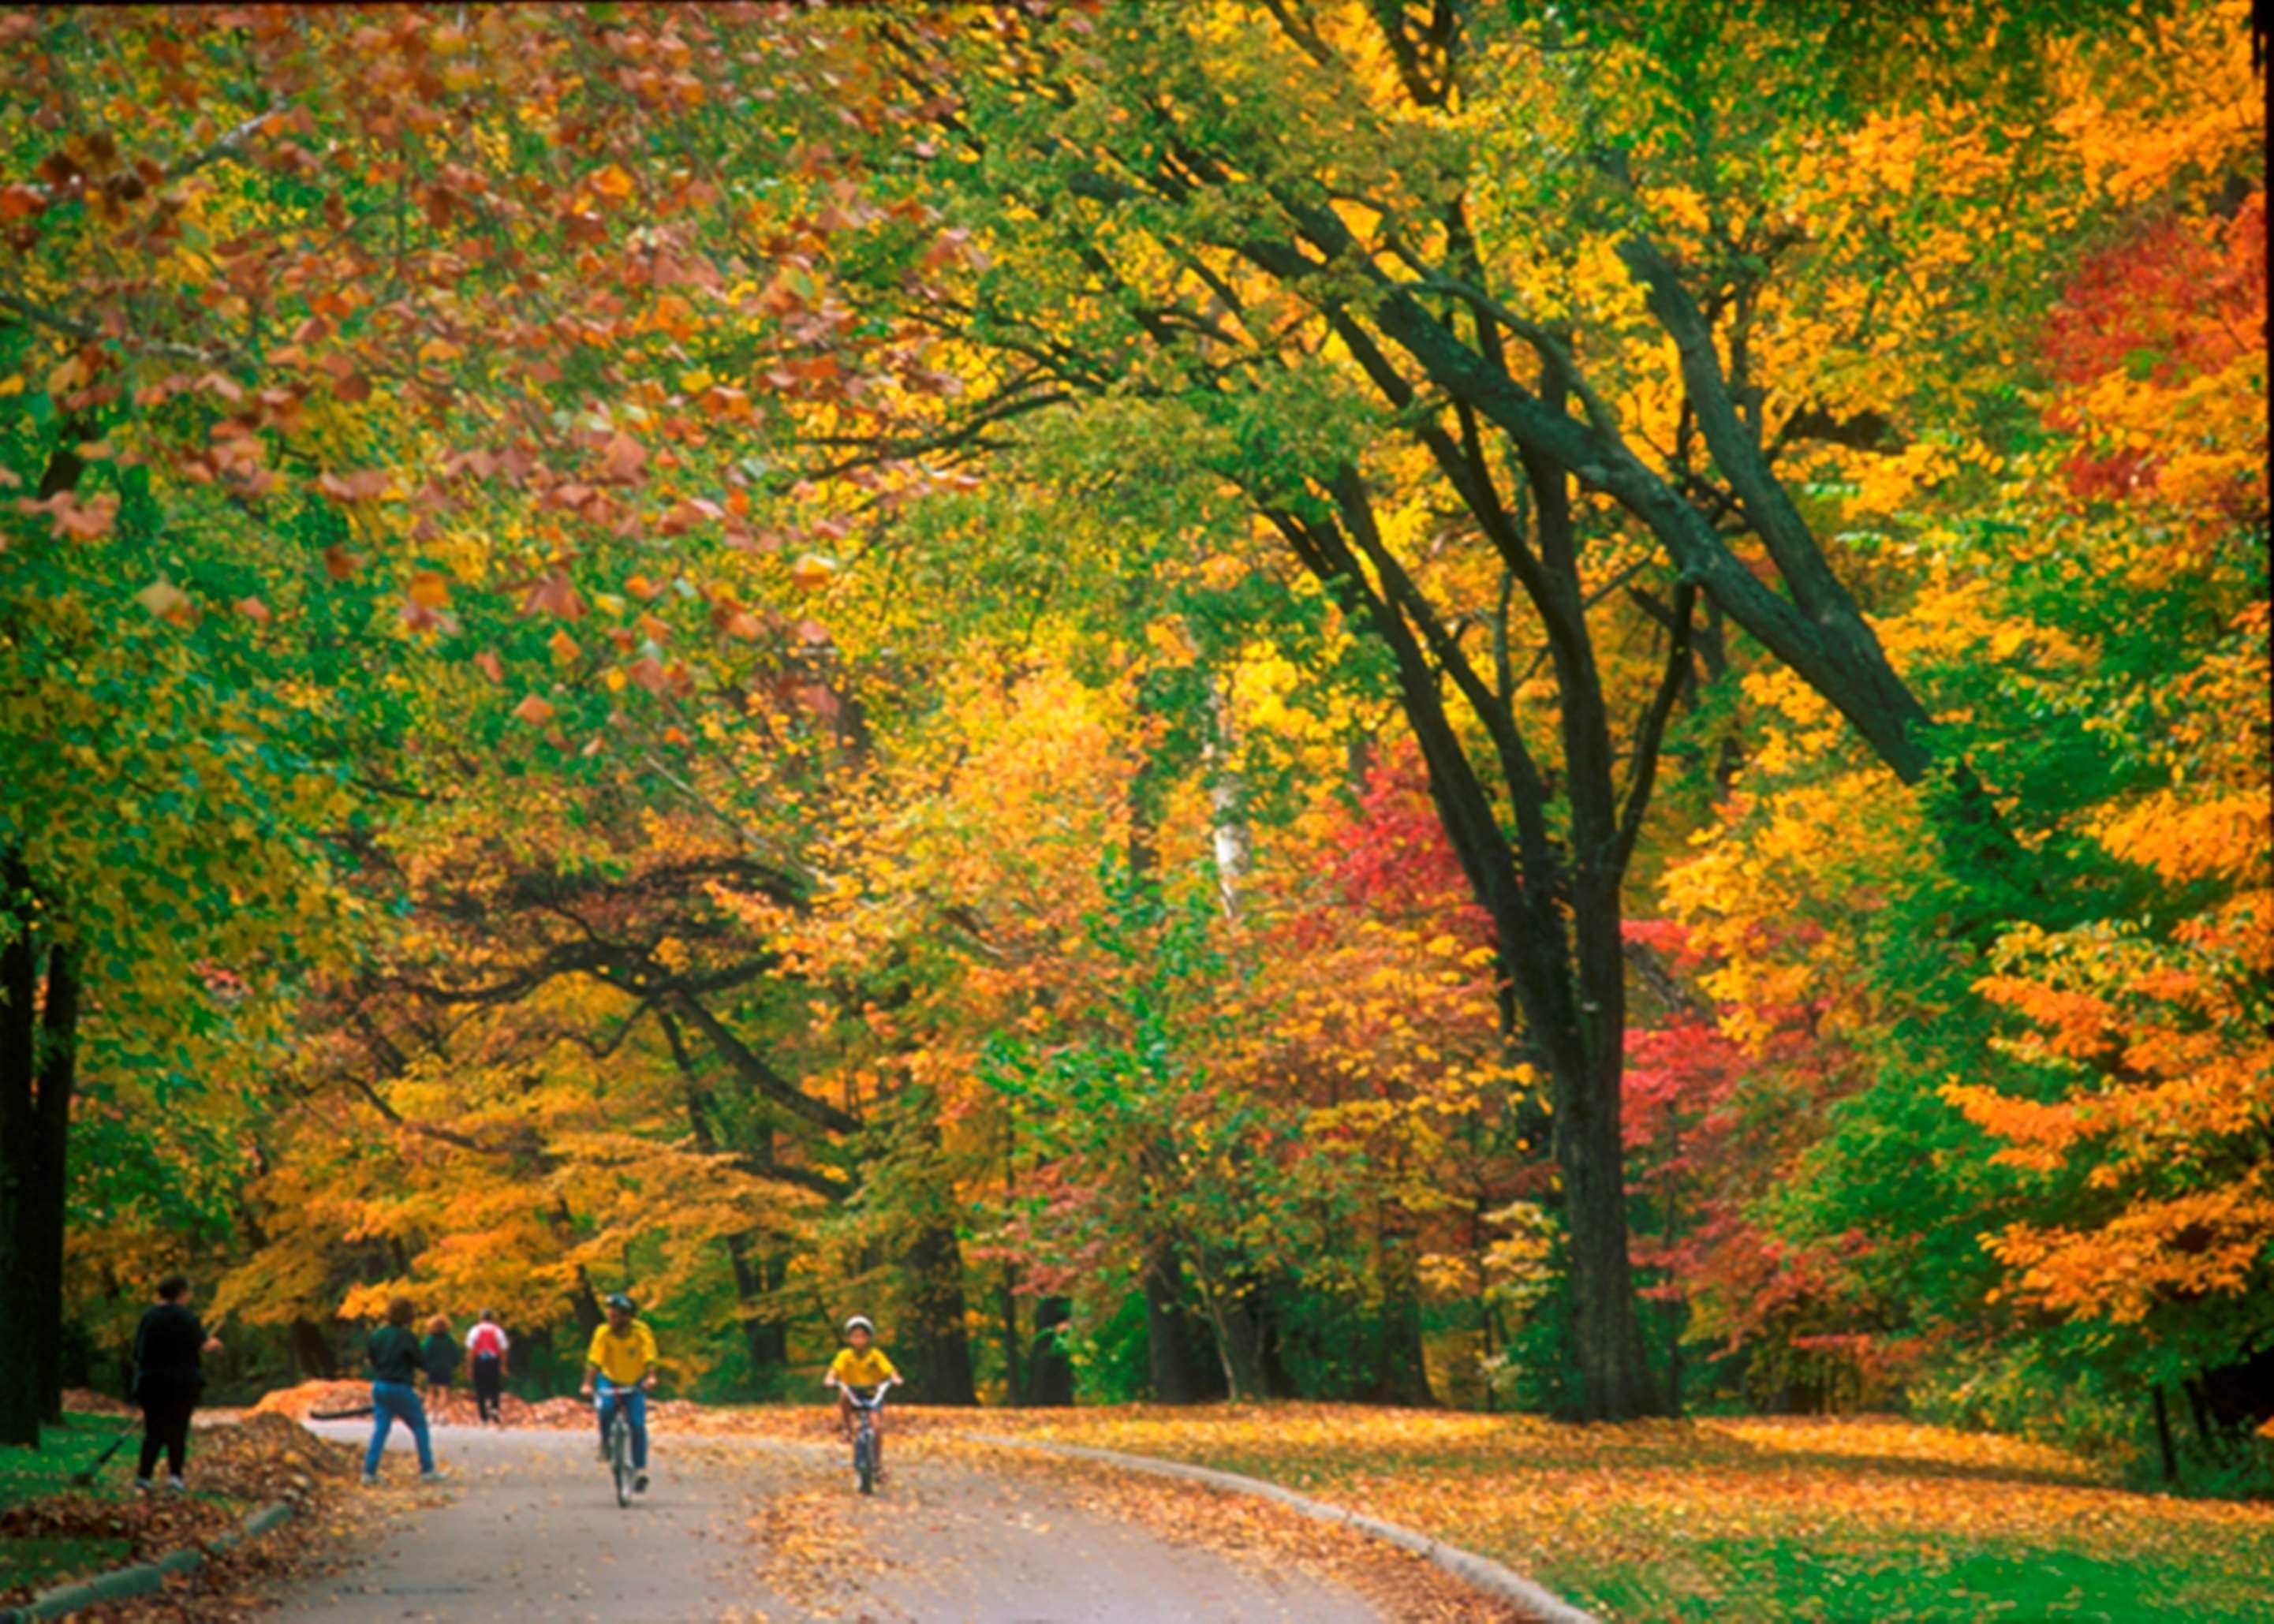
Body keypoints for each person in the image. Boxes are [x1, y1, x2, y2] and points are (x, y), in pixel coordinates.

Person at [130, 1274, 223, 1495]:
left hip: (150, 1382)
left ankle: (144, 1477)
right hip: (181, 1383)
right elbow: (204, 1345)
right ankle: (175, 1477)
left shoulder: (149, 1317)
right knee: (178, 1430)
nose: (189, 1296)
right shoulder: (186, 1318)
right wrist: (216, 1344)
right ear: (181, 1293)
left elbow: (137, 1352)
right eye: (188, 1292)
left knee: (153, 1431)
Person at [580, 1292, 658, 1494]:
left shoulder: (641, 1331)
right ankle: (606, 1443)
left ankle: (639, 1469)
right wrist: (588, 1384)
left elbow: (649, 1355)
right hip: (609, 1378)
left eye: (616, 1316)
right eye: (610, 1315)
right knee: (605, 1409)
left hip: (635, 1380)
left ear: (627, 1317)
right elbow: (594, 1359)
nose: (611, 1319)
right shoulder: (603, 1332)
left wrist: (651, 1377)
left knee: (637, 1424)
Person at [364, 1297, 441, 1485]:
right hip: (400, 1386)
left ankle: (369, 1472)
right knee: (419, 1426)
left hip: (380, 1386)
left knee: (381, 1429)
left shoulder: (377, 1335)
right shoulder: (407, 1337)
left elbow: (371, 1359)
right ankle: (427, 1469)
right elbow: (420, 1362)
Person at [823, 1315, 902, 1479]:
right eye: (855, 1336)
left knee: (876, 1427)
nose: (859, 1340)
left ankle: (878, 1465)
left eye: (862, 1336)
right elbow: (835, 1369)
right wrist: (830, 1378)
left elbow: (888, 1369)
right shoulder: (845, 1355)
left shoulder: (875, 1355)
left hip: (872, 1393)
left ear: (869, 1338)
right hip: (852, 1391)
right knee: (844, 1394)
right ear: (849, 1338)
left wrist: (895, 1377)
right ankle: (847, 1428)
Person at [465, 1309, 510, 1424]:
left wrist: (469, 1367)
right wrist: (503, 1365)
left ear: (481, 1318)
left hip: (479, 1361)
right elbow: (504, 1349)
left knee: (480, 1387)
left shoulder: (475, 1330)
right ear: (491, 1318)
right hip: (493, 1361)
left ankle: (483, 1415)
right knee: (494, 1386)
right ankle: (494, 1407)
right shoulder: (498, 1330)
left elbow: (470, 1350)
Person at [420, 1315, 457, 1402]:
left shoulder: (430, 1340)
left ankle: (429, 1413)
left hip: (432, 1369)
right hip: (446, 1368)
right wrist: (454, 1364)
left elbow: (424, 1354)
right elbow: (455, 1354)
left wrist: (424, 1368)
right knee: (444, 1392)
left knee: (431, 1392)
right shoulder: (449, 1339)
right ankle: (440, 1413)